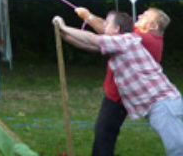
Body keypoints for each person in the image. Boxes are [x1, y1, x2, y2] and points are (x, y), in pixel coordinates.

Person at [55, 12, 183, 155]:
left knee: (178, 147)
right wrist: (64, 34)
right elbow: (91, 46)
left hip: (162, 103)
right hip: (157, 102)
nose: (139, 16)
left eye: (145, 16)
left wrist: (66, 26)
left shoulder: (132, 39)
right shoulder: (125, 40)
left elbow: (92, 39)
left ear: (153, 25)